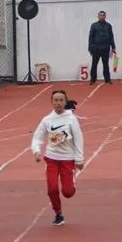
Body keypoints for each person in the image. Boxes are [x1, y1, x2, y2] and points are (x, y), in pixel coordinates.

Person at [31, 90, 84, 226]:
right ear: (52, 102)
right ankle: (58, 213)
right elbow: (37, 137)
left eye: (61, 100)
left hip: (68, 159)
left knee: (68, 192)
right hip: (51, 158)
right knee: (52, 189)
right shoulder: (47, 120)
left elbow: (78, 139)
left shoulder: (72, 119)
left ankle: (71, 183)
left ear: (65, 102)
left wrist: (79, 159)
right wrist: (36, 151)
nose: (58, 103)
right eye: (56, 100)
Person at [88, 11, 116, 84]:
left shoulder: (108, 25)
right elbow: (90, 37)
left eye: (103, 15)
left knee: (106, 65)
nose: (102, 16)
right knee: (94, 65)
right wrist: (90, 48)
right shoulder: (94, 25)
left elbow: (111, 37)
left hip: (105, 48)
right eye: (100, 15)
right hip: (96, 49)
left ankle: (107, 79)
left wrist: (113, 47)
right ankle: (93, 80)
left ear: (105, 16)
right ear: (98, 16)